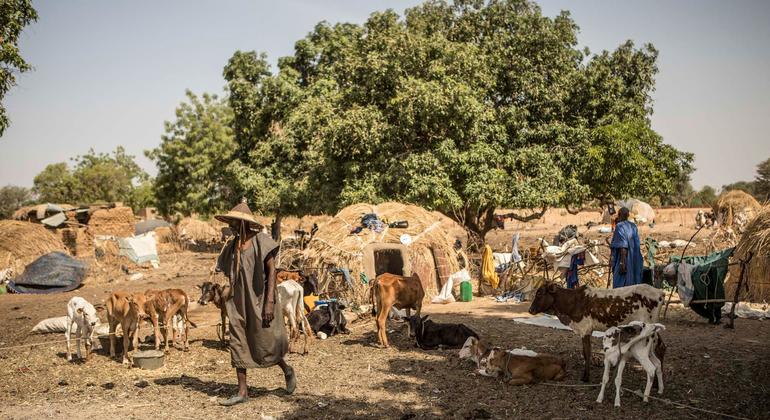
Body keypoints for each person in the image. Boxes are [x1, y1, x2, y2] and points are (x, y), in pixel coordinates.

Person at [214, 201, 295, 406]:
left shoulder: (261, 241)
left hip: (259, 300)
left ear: (244, 223)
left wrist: (269, 302)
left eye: (234, 222)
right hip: (238, 303)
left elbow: (272, 272)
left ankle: (286, 369)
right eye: (230, 222)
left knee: (264, 341)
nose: (231, 226)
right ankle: (242, 391)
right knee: (238, 342)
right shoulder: (232, 246)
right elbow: (225, 270)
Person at [609, 207, 643, 288]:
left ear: (619, 215)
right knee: (633, 282)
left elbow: (623, 246)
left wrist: (622, 263)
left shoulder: (619, 226)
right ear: (628, 215)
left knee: (620, 283)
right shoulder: (633, 226)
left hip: (623, 259)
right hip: (635, 258)